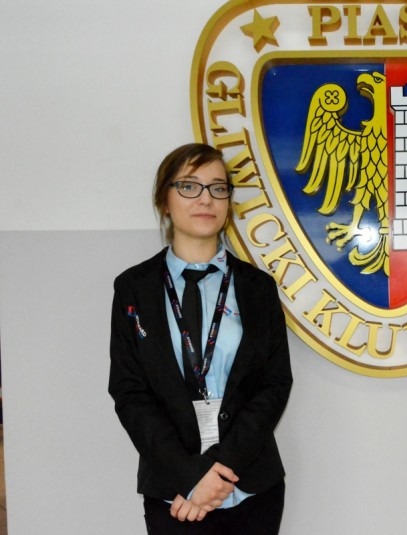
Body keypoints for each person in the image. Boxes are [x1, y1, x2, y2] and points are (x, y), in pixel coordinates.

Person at [109, 143, 292, 534]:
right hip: (174, 494)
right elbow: (129, 392)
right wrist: (191, 476)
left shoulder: (258, 288)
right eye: (189, 186)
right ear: (164, 201)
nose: (206, 199)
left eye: (218, 188)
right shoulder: (133, 289)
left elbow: (275, 384)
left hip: (252, 486)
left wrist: (220, 471)